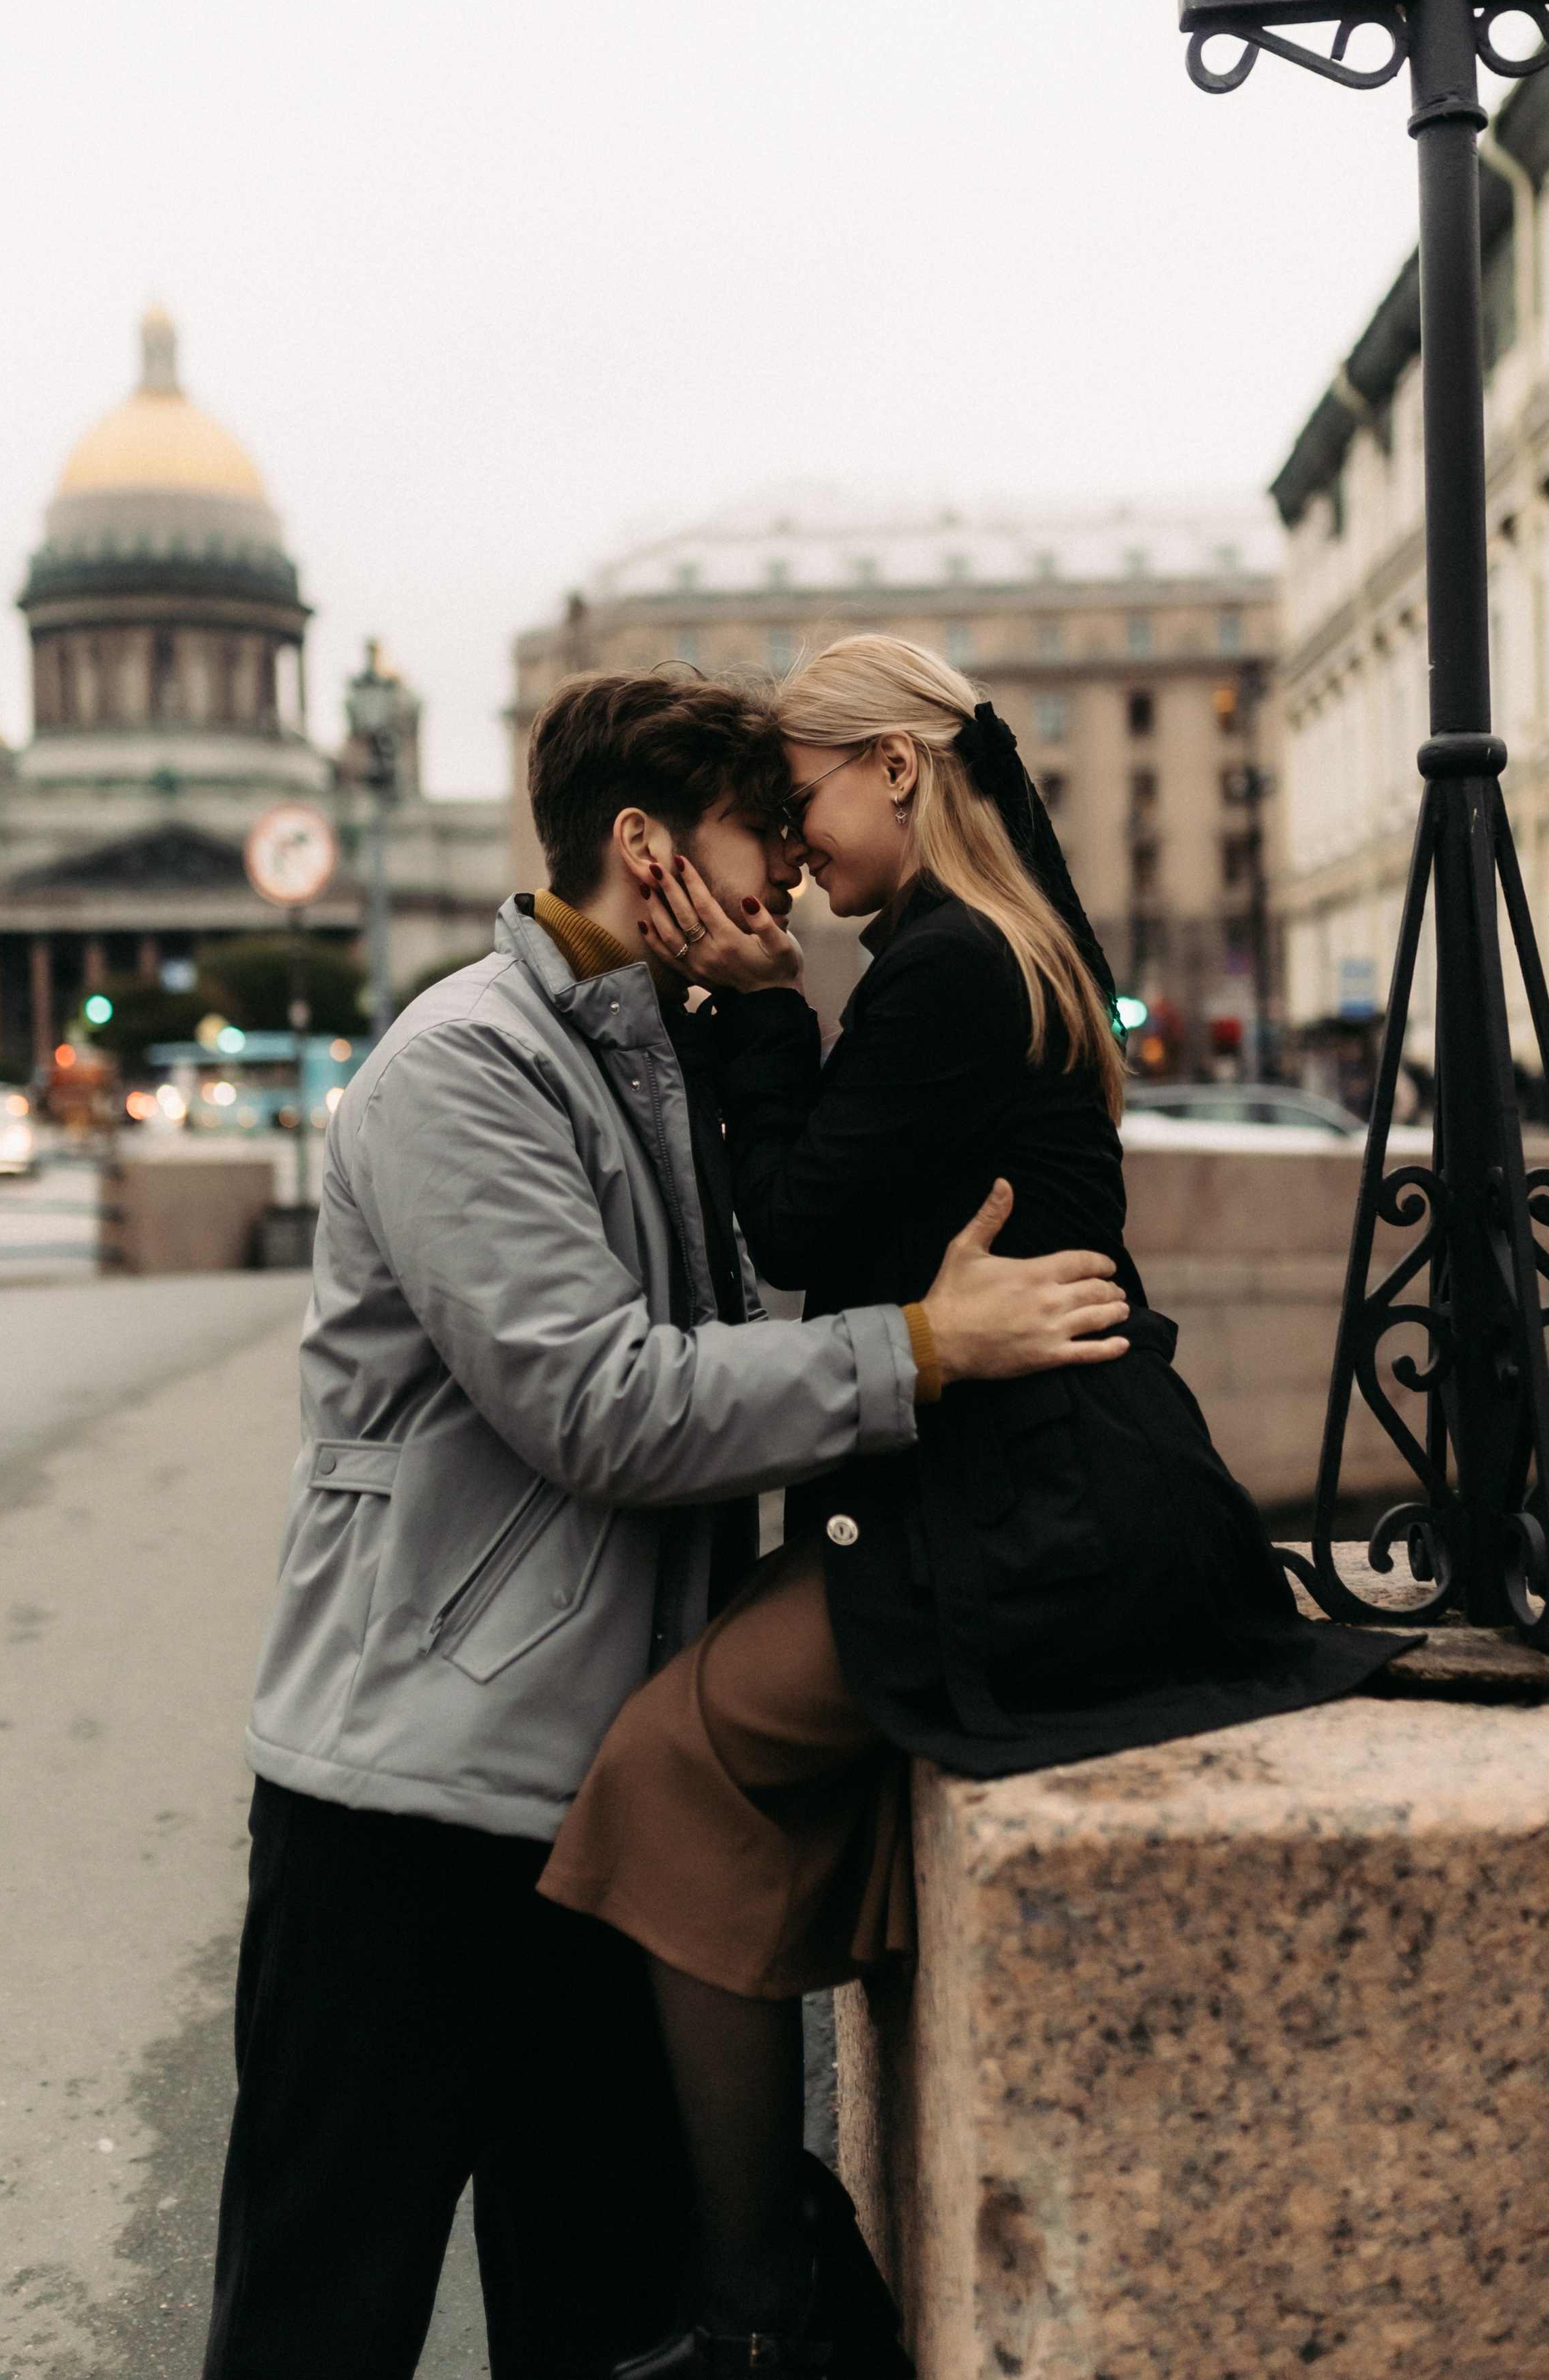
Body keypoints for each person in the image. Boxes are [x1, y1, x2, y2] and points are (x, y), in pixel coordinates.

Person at [201, 665, 1133, 2380]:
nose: (783, 867)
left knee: (607, 2328)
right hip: (406, 1811)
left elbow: (777, 1267)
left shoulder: (648, 1053)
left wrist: (767, 1025)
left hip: (590, 1810)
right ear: (643, 845)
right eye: (753, 834)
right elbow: (608, 1405)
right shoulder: (462, 1067)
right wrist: (928, 1349)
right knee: (320, 2322)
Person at [538, 634, 1419, 2380]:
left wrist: (767, 1004)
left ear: (894, 765)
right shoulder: (1002, 939)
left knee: (661, 1771)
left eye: (799, 805)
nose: (789, 854)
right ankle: (759, 2279)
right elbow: (860, 1238)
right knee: (740, 1763)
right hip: (1056, 1482)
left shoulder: (938, 968)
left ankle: (759, 2308)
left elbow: (794, 1233)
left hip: (1033, 1507)